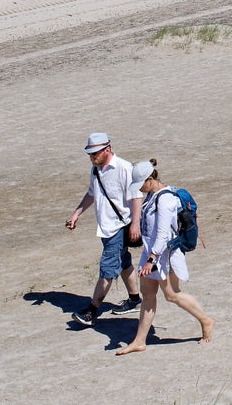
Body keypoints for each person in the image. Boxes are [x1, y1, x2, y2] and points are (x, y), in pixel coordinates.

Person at [116, 158, 215, 354]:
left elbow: (163, 234)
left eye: (141, 184)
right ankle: (140, 340)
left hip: (164, 255)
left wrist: (151, 260)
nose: (140, 189)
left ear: (151, 179)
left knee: (172, 294)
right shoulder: (152, 196)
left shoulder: (166, 199)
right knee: (148, 295)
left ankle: (206, 321)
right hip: (151, 253)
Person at [65, 132, 143, 324]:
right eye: (89, 154)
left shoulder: (124, 168)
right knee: (124, 263)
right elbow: (92, 194)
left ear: (107, 150)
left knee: (107, 270)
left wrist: (135, 223)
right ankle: (135, 301)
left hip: (118, 227)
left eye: (94, 154)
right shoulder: (96, 170)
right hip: (106, 228)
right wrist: (76, 214)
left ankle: (91, 311)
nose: (91, 158)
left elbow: (137, 196)